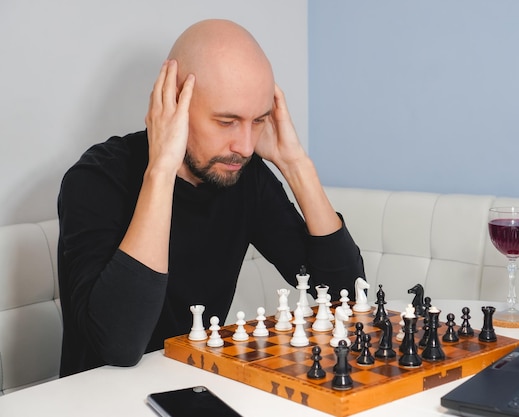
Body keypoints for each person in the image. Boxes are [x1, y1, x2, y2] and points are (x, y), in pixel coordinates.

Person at [57, 19, 364, 377]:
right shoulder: (95, 180)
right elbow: (119, 346)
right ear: (173, 102)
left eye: (259, 120)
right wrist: (161, 172)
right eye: (227, 122)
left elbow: (348, 295)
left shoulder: (242, 176)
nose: (246, 146)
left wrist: (296, 165)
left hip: (199, 388)